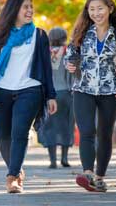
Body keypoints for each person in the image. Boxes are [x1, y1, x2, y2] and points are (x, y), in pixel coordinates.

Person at [0, 0, 58, 194]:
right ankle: (16, 169)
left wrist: (51, 95)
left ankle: (12, 177)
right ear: (14, 10)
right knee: (3, 135)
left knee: (20, 133)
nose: (30, 11)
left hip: (30, 89)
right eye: (25, 7)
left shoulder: (39, 35)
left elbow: (46, 68)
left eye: (31, 7)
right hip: (1, 89)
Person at [64, 0, 116, 192]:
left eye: (100, 8)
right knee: (86, 132)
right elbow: (70, 55)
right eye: (92, 9)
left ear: (110, 9)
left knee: (104, 133)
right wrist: (70, 63)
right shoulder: (81, 31)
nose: (96, 13)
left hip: (110, 90)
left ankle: (100, 177)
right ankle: (87, 173)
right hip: (83, 88)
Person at [37, 27, 75, 169]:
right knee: (66, 125)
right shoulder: (68, 52)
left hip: (48, 94)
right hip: (65, 92)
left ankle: (52, 160)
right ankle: (64, 158)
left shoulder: (44, 53)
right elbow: (72, 74)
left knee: (49, 126)